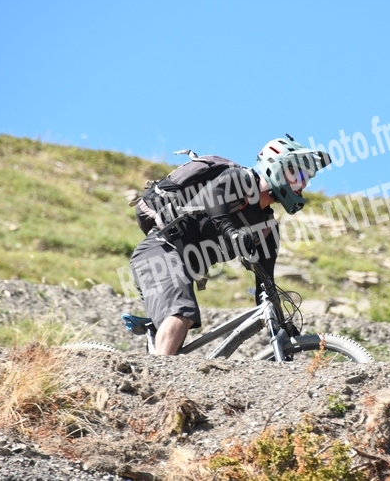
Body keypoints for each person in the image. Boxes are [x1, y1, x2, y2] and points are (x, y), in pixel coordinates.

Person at [129, 136, 331, 355]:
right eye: (300, 175)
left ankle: (160, 361)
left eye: (307, 178)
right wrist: (232, 232)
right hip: (159, 251)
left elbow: (266, 284)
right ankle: (160, 373)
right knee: (182, 313)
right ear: (278, 167)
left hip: (182, 268)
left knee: (181, 323)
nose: (304, 183)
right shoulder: (239, 179)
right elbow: (213, 198)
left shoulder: (267, 229)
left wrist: (282, 324)